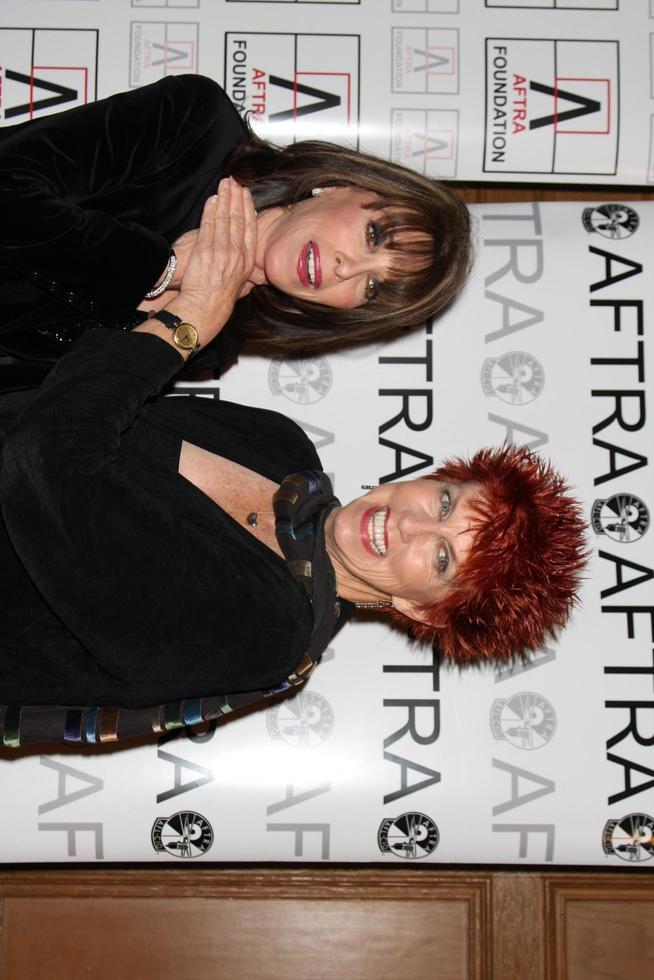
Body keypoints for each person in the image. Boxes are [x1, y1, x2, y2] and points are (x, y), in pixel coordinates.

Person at [0, 181, 587, 748]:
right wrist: (166, 291)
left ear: (421, 609)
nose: (410, 526)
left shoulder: (264, 633)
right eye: (443, 504)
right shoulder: (281, 447)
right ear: (431, 477)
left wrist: (187, 324)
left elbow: (44, 464)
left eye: (440, 558)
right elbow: (61, 400)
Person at [0, 72, 471, 383]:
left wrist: (168, 317)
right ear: (339, 186)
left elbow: (44, 405)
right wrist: (158, 270)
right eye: (374, 235)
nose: (349, 269)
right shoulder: (196, 128)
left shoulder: (209, 342)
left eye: (372, 287)